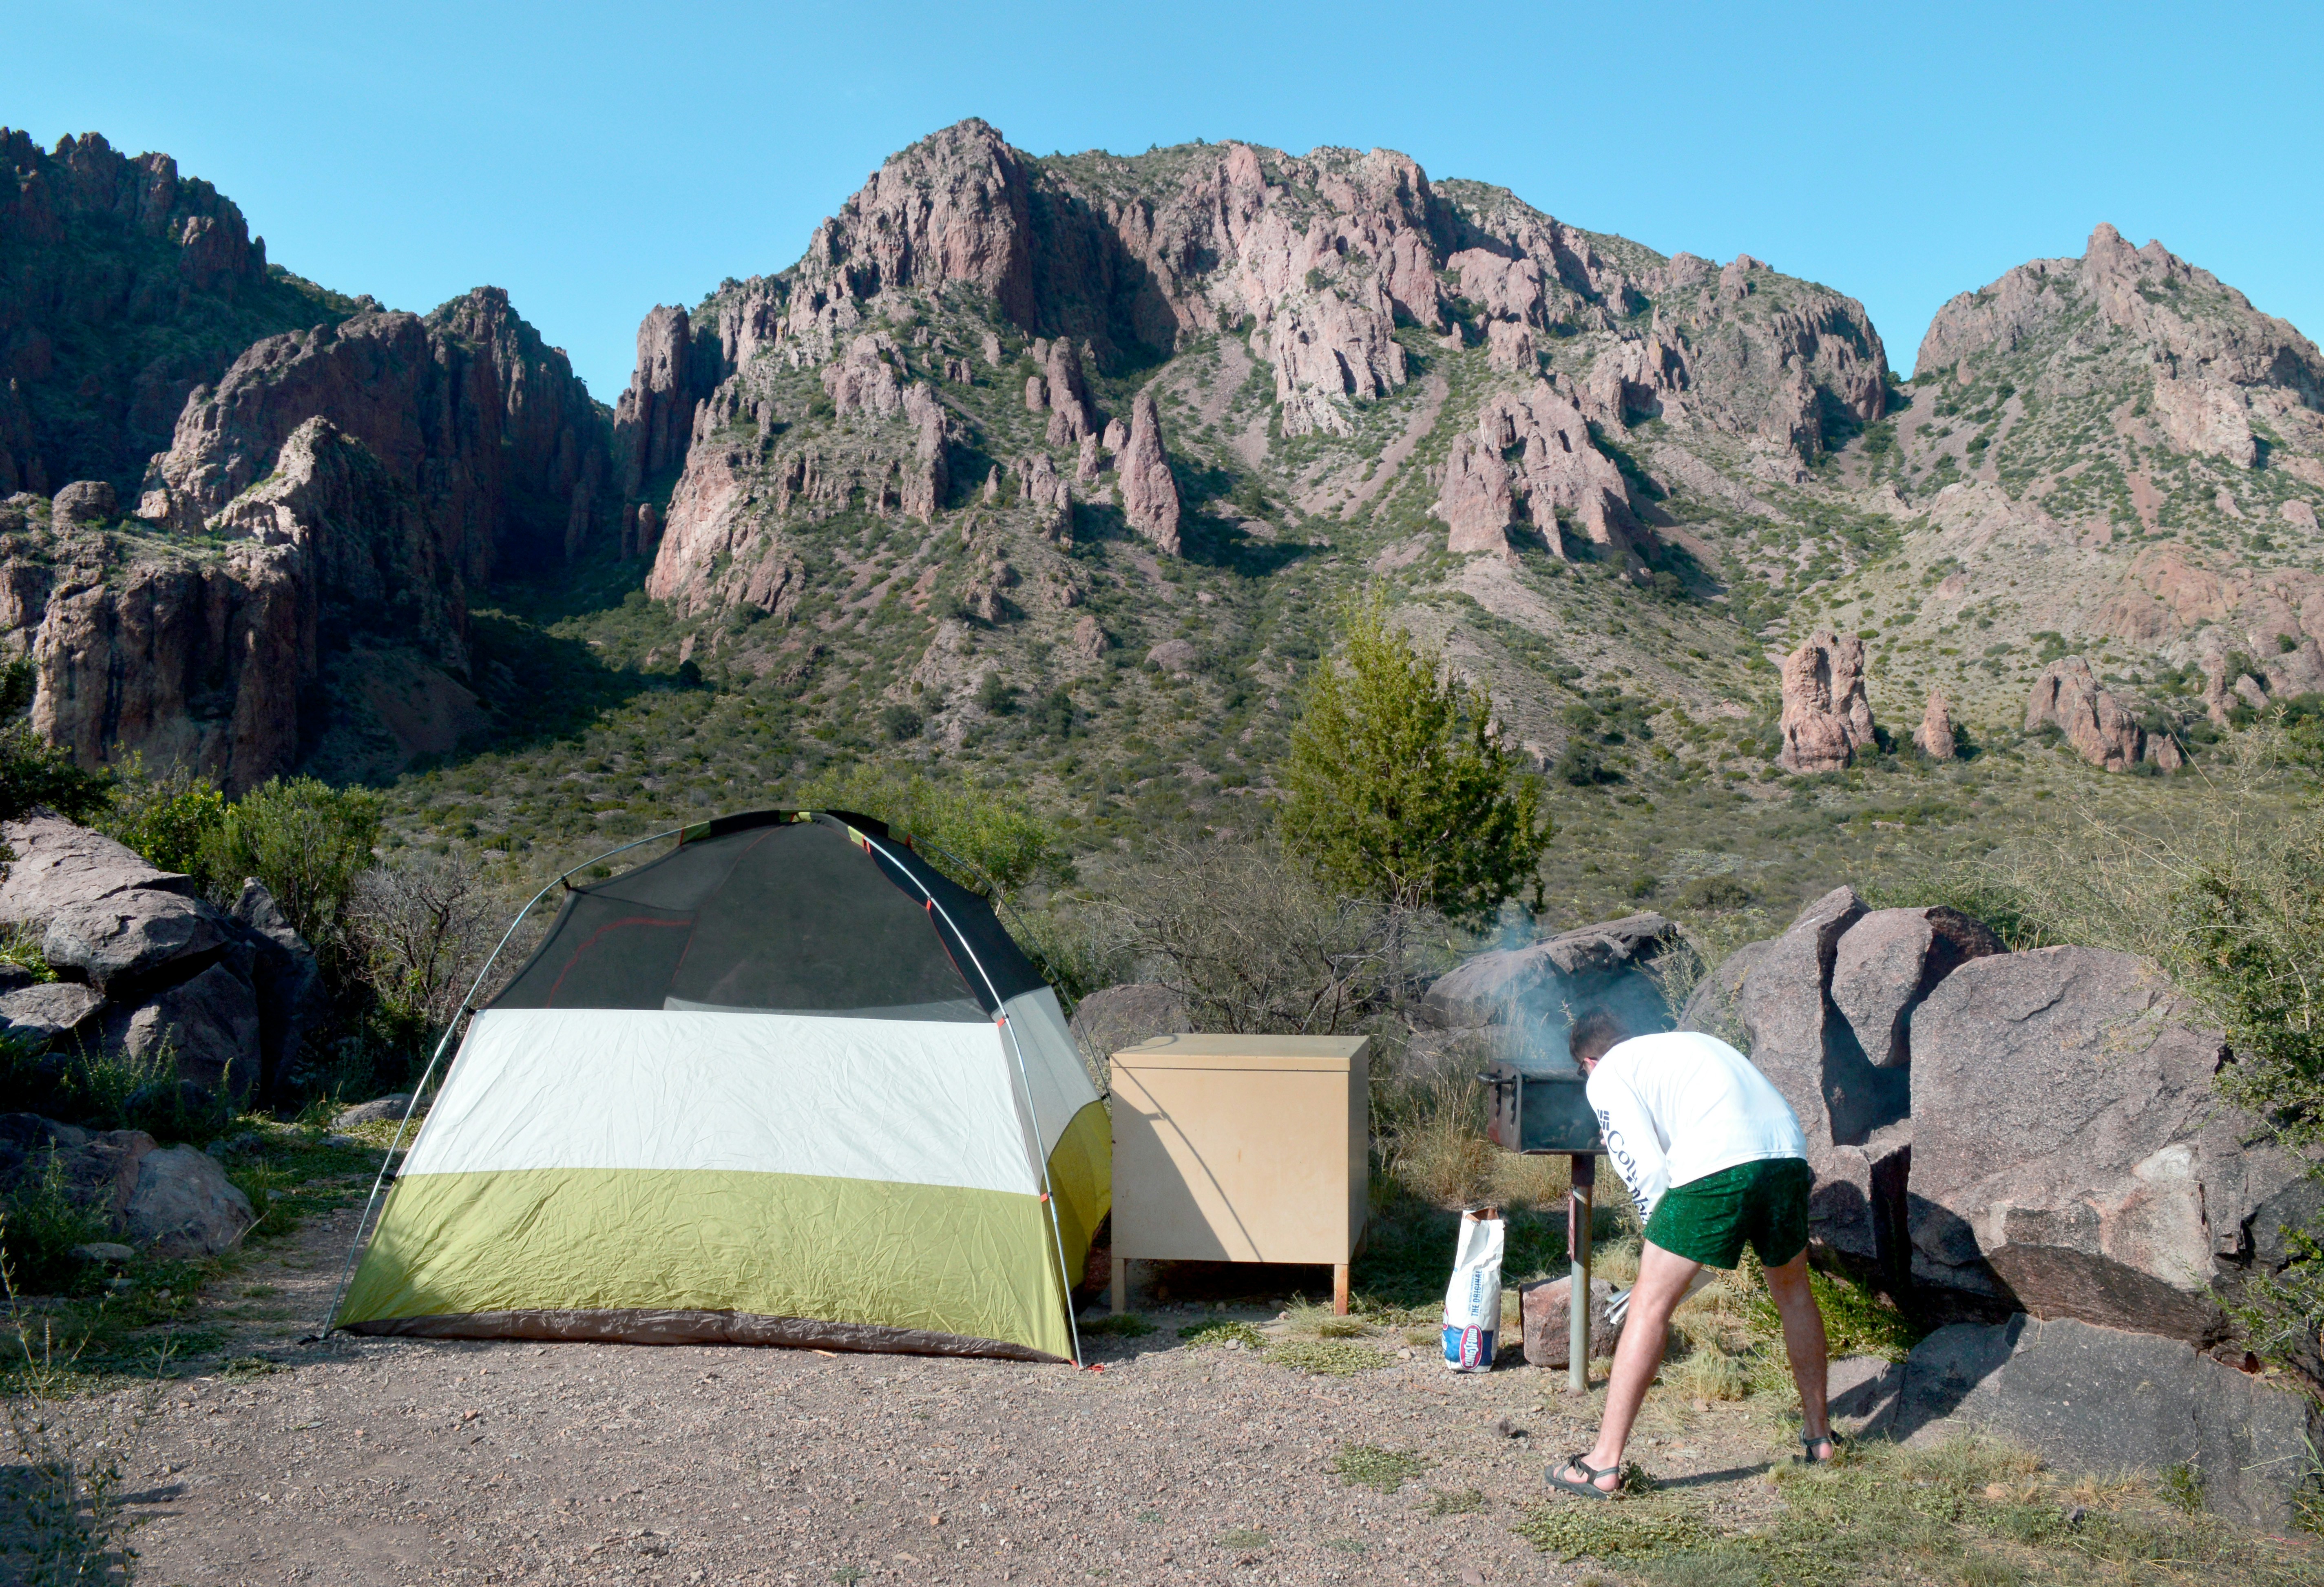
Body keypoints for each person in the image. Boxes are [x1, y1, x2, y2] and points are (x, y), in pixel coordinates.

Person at [1546, 1008, 1834, 1499]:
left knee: (1649, 1305)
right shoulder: (1683, 1043)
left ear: (1588, 1061)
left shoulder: (1607, 1075)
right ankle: (1819, 1439)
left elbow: (1643, 1166)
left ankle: (1602, 1464)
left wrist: (1660, 1244)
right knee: (1793, 1295)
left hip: (1719, 1159)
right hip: (1786, 1153)